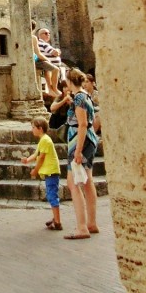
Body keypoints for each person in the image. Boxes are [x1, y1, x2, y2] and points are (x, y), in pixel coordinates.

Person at [63, 67, 99, 240]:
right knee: (87, 181)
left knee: (73, 183)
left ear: (70, 81)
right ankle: (91, 223)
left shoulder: (79, 98)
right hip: (89, 140)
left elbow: (82, 124)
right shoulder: (85, 95)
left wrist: (77, 151)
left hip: (80, 141)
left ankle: (82, 227)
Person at [21, 117, 62, 230]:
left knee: (52, 195)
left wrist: (35, 170)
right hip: (50, 172)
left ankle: (58, 222)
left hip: (51, 172)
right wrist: (27, 160)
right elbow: (36, 154)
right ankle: (55, 218)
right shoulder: (43, 140)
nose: (32, 130)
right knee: (51, 195)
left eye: (33, 127)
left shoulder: (45, 140)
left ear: (40, 128)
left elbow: (41, 158)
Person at [35, 25, 62, 97]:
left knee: (49, 72)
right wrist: (58, 51)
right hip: (47, 64)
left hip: (46, 64)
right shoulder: (43, 44)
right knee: (55, 70)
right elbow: (55, 53)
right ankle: (54, 89)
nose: (48, 35)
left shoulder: (42, 43)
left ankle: (51, 90)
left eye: (49, 33)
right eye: (46, 33)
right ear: (40, 35)